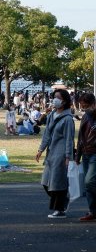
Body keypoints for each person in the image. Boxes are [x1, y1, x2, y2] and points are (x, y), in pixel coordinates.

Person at [35, 89, 75, 219]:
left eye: (57, 97)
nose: (54, 100)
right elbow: (47, 134)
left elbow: (69, 139)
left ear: (64, 101)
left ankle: (59, 209)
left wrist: (68, 157)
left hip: (61, 152)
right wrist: (40, 149)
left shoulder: (68, 119)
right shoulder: (52, 114)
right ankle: (63, 202)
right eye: (54, 97)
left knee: (57, 182)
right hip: (51, 152)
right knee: (46, 182)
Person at [75, 93, 96, 222]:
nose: (85, 109)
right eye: (83, 107)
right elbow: (81, 137)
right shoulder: (85, 117)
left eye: (87, 106)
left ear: (94, 103)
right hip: (86, 153)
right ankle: (92, 211)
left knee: (89, 181)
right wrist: (78, 155)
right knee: (88, 185)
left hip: (95, 153)